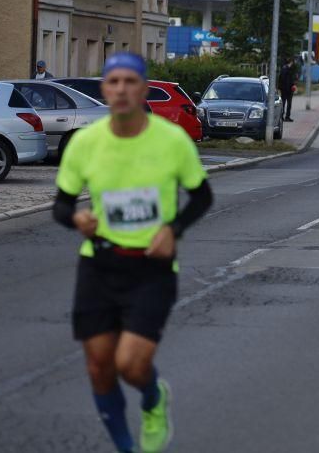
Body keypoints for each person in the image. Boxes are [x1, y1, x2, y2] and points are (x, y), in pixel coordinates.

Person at [52, 52, 213, 453]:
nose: (122, 89)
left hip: (151, 268)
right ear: (104, 90)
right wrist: (77, 219)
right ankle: (126, 448)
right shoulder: (85, 143)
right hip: (99, 265)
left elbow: (202, 197)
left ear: (143, 90)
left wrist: (173, 230)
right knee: (99, 367)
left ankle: (154, 398)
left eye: (130, 82)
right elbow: (61, 206)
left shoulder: (171, 140)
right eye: (114, 82)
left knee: (130, 364)